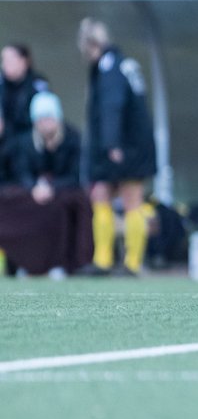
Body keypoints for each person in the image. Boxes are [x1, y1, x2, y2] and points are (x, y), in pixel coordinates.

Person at [77, 19, 158, 277]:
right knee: (99, 194)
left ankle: (132, 263)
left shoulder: (110, 66)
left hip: (125, 145)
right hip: (128, 142)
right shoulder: (123, 62)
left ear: (91, 45)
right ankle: (102, 260)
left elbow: (113, 106)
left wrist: (112, 144)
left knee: (131, 198)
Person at [0, 91, 92, 277]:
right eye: (40, 119)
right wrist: (35, 187)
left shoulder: (73, 138)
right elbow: (21, 171)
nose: (45, 123)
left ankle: (65, 264)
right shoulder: (25, 142)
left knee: (69, 204)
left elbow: (75, 175)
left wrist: (52, 187)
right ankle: (23, 263)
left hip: (62, 191)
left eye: (49, 117)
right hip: (33, 192)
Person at [0, 43, 51, 155]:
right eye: (3, 60)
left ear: (24, 61)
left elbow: (47, 115)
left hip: (32, 142)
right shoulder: (2, 84)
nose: (4, 65)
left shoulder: (37, 84)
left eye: (10, 60)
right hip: (5, 142)